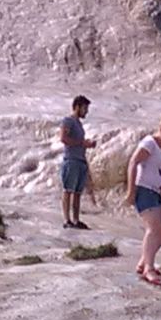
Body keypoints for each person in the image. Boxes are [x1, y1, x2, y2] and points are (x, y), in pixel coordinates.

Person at [126, 115, 161, 285]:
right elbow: (133, 162)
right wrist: (131, 191)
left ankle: (144, 261)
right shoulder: (149, 143)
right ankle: (148, 268)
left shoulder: (160, 147)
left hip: (155, 191)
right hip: (144, 189)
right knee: (154, 228)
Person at [59, 95, 96, 230]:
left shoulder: (79, 124)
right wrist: (82, 143)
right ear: (77, 107)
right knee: (68, 190)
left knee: (77, 192)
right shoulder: (68, 121)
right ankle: (66, 220)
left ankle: (76, 219)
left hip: (80, 160)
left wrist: (87, 145)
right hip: (71, 160)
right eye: (85, 108)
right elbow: (63, 138)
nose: (86, 111)